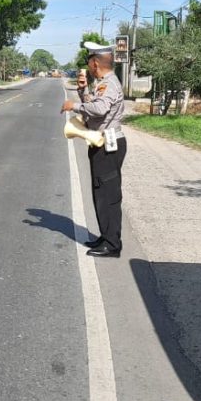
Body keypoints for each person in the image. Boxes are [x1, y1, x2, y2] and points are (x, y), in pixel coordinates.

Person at [61, 42, 126, 257]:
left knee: (108, 194)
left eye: (89, 61)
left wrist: (74, 106)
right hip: (101, 143)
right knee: (101, 192)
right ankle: (106, 236)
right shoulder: (102, 83)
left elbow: (99, 109)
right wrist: (82, 90)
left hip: (109, 145)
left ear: (95, 63)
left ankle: (112, 244)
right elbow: (93, 104)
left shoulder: (110, 84)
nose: (88, 66)